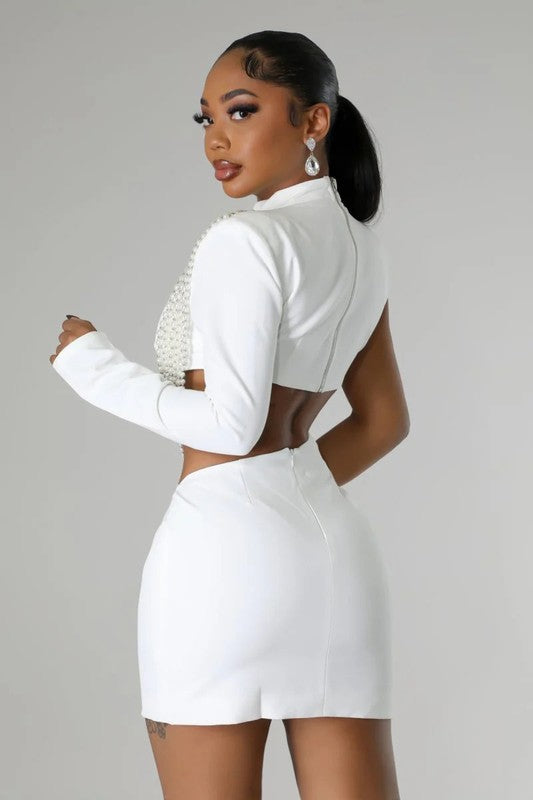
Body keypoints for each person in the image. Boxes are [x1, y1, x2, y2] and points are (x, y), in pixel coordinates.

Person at [50, 29, 408, 800]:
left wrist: (91, 366)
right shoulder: (361, 248)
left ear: (314, 121)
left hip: (222, 565)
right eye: (206, 117)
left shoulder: (244, 241)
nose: (216, 138)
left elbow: (230, 427)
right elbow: (382, 422)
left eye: (241, 111)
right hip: (334, 564)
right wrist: (284, 486)